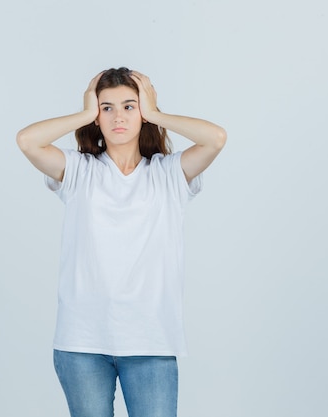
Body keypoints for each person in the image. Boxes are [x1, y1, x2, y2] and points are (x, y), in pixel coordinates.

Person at [16, 67, 226, 417]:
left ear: (142, 112)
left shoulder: (168, 174)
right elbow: (27, 141)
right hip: (81, 342)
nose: (118, 116)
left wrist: (155, 113)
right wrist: (85, 112)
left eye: (129, 106)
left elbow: (216, 138)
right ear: (96, 115)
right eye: (107, 107)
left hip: (151, 340)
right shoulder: (79, 171)